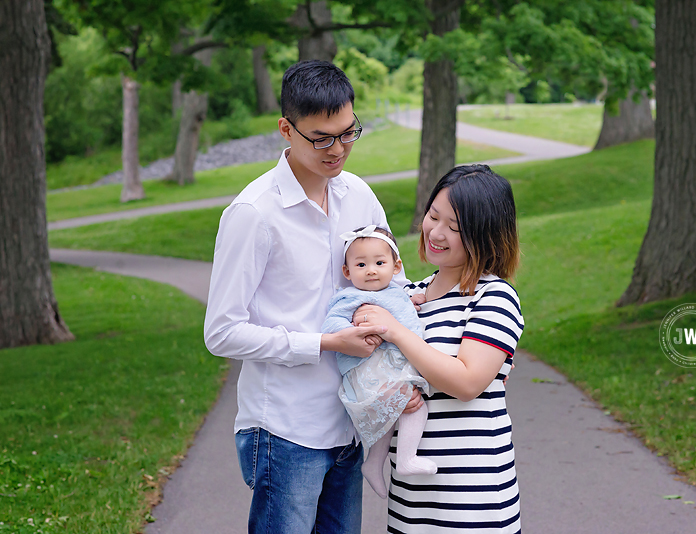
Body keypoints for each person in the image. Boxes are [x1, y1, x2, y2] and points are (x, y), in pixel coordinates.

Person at [203, 60, 421, 534]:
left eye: (347, 133)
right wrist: (326, 343)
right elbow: (221, 333)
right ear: (286, 129)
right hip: (286, 427)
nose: (338, 149)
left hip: (351, 420)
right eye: (321, 138)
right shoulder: (253, 214)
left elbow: (392, 282)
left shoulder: (359, 195)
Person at [354, 164, 524, 533]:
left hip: (472, 498)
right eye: (433, 215)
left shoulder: (493, 297)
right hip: (412, 499)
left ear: (485, 235)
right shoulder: (407, 296)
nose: (436, 232)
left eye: (455, 227)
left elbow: (467, 383)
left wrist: (397, 332)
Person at [322, 225, 436, 500]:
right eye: (361, 264)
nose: (371, 270)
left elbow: (400, 309)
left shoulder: (396, 294)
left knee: (393, 414)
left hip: (390, 365)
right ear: (347, 272)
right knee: (414, 406)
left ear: (396, 267)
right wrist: (351, 330)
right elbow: (331, 322)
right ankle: (407, 458)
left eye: (379, 263)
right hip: (370, 368)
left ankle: (373, 463)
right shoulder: (351, 297)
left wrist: (412, 301)